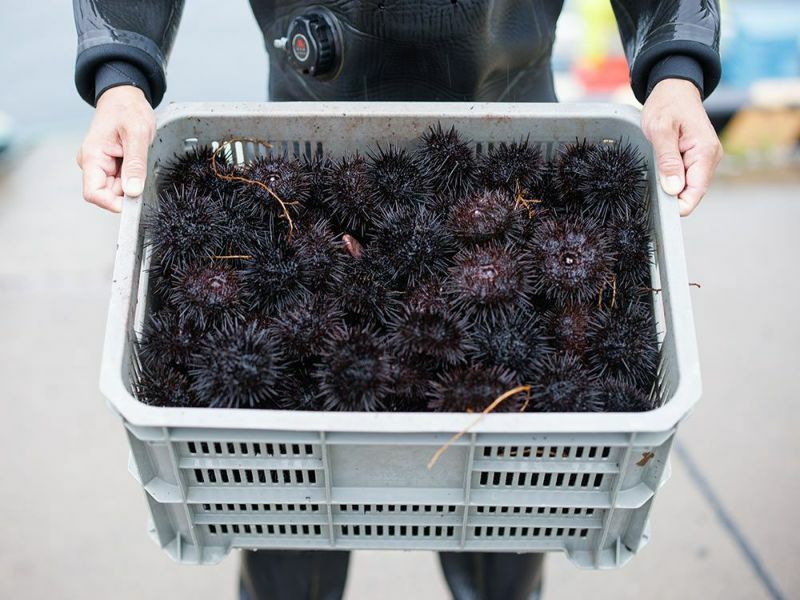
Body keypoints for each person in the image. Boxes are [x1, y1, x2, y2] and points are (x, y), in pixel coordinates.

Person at [72, 2, 722, 599]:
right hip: (312, 111)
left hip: (507, 113)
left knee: (507, 511)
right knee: (283, 508)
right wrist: (122, 74)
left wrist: (675, 69)